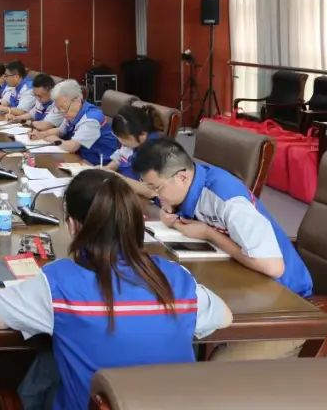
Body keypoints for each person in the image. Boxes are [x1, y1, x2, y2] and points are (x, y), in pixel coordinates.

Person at [0, 169, 232, 409]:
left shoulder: (60, 284)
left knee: (46, 367)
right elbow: (224, 317)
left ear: (72, 225)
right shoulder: (176, 278)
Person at [133, 139, 313, 359]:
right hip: (244, 287)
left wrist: (209, 234)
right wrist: (170, 208)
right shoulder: (191, 183)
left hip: (286, 307)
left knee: (216, 365)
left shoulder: (228, 200)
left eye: (157, 188)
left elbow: (273, 267)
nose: (155, 195)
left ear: (182, 177)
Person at [31, 80, 119, 164]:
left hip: (98, 164)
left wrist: (55, 140)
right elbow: (60, 131)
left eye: (63, 107)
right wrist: (41, 135)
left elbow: (73, 146)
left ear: (77, 100)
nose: (62, 112)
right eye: (59, 109)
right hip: (80, 158)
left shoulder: (91, 119)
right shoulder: (72, 111)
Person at [106, 104, 162, 181]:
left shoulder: (153, 152)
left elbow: (147, 186)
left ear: (142, 135)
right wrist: (108, 168)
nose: (120, 141)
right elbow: (120, 157)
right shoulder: (133, 143)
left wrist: (114, 176)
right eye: (118, 136)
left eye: (123, 137)